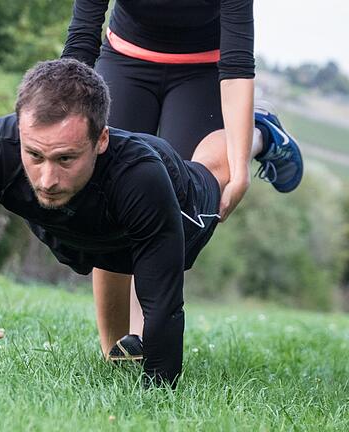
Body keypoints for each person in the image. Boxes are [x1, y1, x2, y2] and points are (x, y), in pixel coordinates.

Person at [0, 59, 303, 387]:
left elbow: (162, 305)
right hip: (91, 228)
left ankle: (258, 132)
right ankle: (117, 358)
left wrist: (159, 393)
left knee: (214, 169)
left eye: (65, 159)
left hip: (177, 200)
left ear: (101, 140)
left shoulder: (139, 180)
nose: (46, 179)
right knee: (110, 300)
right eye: (34, 155)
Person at [61, 0, 303, 356]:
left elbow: (236, 65)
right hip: (125, 59)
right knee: (108, 193)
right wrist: (63, 128)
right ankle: (118, 354)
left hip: (203, 69)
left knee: (178, 198)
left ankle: (259, 134)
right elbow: (81, 40)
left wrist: (240, 174)